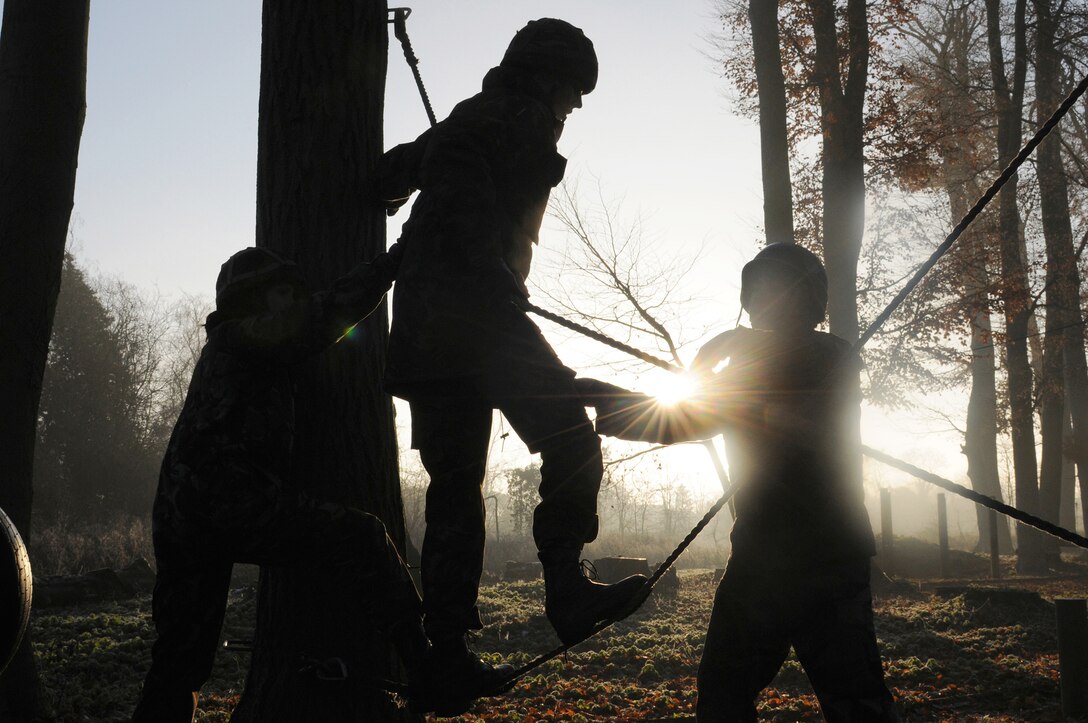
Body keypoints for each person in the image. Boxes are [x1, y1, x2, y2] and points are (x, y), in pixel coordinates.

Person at [131, 245, 502, 722]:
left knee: (180, 657)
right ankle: (430, 670)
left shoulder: (243, 350)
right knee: (362, 536)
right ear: (255, 298)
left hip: (185, 514)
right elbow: (323, 315)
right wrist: (394, 262)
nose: (293, 301)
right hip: (226, 503)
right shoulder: (241, 339)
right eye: (283, 293)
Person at [379, 17, 647, 662]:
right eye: (573, 89)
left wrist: (416, 174)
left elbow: (392, 173)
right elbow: (473, 211)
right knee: (572, 438)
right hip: (482, 319)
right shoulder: (514, 121)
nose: (576, 104)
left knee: (455, 487)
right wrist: (491, 271)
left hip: (422, 333)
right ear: (546, 78)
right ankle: (566, 590)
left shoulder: (470, 120)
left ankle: (445, 650)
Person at [579, 243, 898, 722]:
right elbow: (686, 422)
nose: (763, 305)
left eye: (776, 292)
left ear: (809, 301)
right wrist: (602, 400)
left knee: (856, 702)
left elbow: (772, 416)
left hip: (827, 560)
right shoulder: (750, 363)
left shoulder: (833, 355)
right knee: (722, 697)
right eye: (758, 293)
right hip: (760, 558)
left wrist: (726, 362)